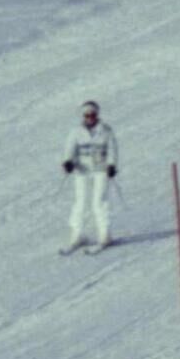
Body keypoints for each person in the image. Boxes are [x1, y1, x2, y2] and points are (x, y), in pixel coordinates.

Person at [60, 98, 119, 251]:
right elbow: (69, 148)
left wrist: (111, 165)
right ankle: (77, 235)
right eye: (87, 115)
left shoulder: (105, 130)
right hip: (82, 170)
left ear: (97, 115)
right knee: (80, 202)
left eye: (92, 115)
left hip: (100, 170)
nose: (90, 118)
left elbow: (112, 149)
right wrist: (68, 162)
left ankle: (104, 235)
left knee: (99, 202)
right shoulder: (76, 132)